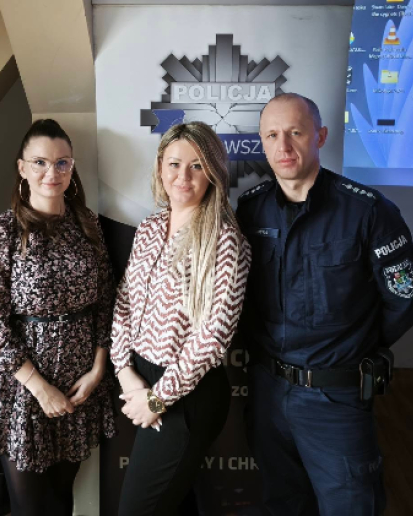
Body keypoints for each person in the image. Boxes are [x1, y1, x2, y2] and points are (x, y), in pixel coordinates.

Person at [237, 93, 413, 516]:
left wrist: (354, 346)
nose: (284, 146)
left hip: (333, 397)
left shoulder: (366, 210)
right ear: (262, 143)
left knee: (350, 506)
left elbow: (408, 296)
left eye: (296, 132)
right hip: (268, 393)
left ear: (320, 136)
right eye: (272, 135)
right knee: (283, 504)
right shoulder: (250, 210)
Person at [0, 119, 117, 516]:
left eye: (61, 163)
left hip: (79, 385)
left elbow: (106, 300)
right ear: (22, 168)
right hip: (23, 389)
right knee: (30, 508)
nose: (51, 172)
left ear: (72, 167)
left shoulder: (87, 224)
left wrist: (98, 369)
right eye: (40, 162)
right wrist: (40, 389)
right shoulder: (3, 232)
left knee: (60, 501)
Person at [111, 121, 251, 516]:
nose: (183, 177)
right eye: (174, 164)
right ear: (160, 167)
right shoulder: (150, 227)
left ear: (214, 172)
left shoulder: (226, 240)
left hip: (187, 396)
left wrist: (157, 399)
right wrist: (124, 371)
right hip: (140, 380)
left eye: (196, 165)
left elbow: (213, 337)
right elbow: (124, 302)